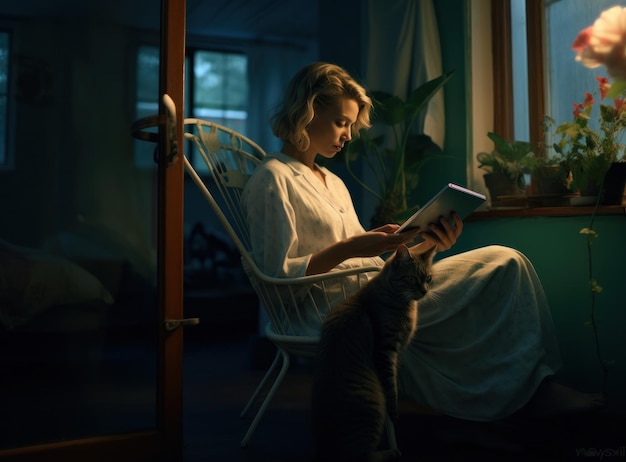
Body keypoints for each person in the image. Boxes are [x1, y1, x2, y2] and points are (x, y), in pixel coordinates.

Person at [241, 62, 604, 422]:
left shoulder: (331, 181)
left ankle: (527, 387)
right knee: (502, 266)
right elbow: (279, 280)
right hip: (341, 314)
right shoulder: (272, 178)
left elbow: (372, 265)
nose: (349, 135)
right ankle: (533, 395)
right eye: (341, 122)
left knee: (507, 261)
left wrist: (428, 246)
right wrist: (355, 247)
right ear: (309, 111)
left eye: (351, 125)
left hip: (377, 289)